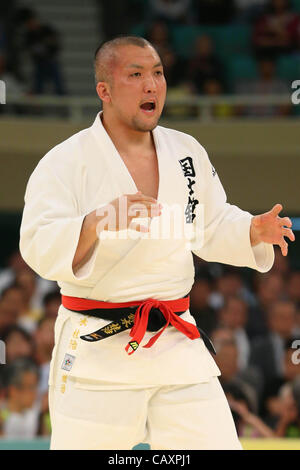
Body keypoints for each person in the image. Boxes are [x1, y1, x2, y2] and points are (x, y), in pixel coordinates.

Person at [19, 36, 295, 450]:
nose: (152, 85)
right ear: (104, 91)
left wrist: (250, 230)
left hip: (175, 344)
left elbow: (210, 221)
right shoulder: (64, 161)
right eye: (136, 75)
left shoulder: (185, 151)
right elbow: (38, 243)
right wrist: (97, 221)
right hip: (99, 347)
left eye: (158, 73)